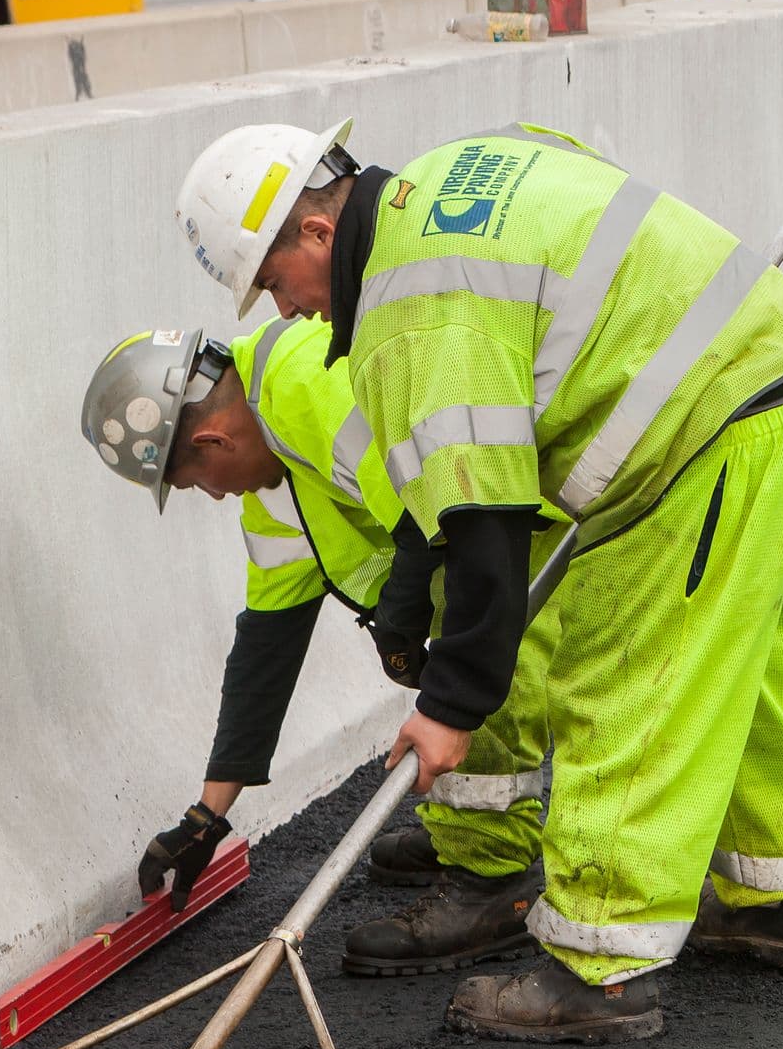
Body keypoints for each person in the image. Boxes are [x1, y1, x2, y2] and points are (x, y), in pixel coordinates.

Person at [175, 117, 783, 1043]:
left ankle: (598, 972)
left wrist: (450, 708)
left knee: (628, 680)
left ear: (318, 234)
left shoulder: (411, 314)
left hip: (695, 436)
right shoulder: (451, 176)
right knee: (756, 670)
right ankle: (777, 901)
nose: (287, 310)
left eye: (274, 284)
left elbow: (483, 528)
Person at [80, 307, 555, 977]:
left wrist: (402, 608)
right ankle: (470, 838)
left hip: (513, 530)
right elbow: (264, 654)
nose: (213, 497)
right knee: (449, 623)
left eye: (194, 483)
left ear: (214, 441)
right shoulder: (274, 486)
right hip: (471, 541)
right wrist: (206, 818)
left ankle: (488, 882)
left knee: (463, 619)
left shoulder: (308, 382)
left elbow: (436, 497)